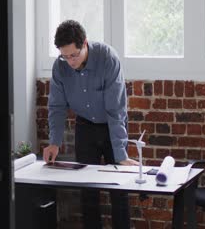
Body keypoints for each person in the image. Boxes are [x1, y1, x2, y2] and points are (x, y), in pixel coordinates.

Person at [43, 19, 138, 229]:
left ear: (84, 43)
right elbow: (57, 107)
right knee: (88, 190)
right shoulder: (60, 66)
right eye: (64, 56)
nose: (70, 61)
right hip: (85, 126)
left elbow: (116, 110)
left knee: (119, 190)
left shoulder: (108, 58)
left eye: (74, 55)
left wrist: (121, 154)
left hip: (111, 125)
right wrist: (54, 143)